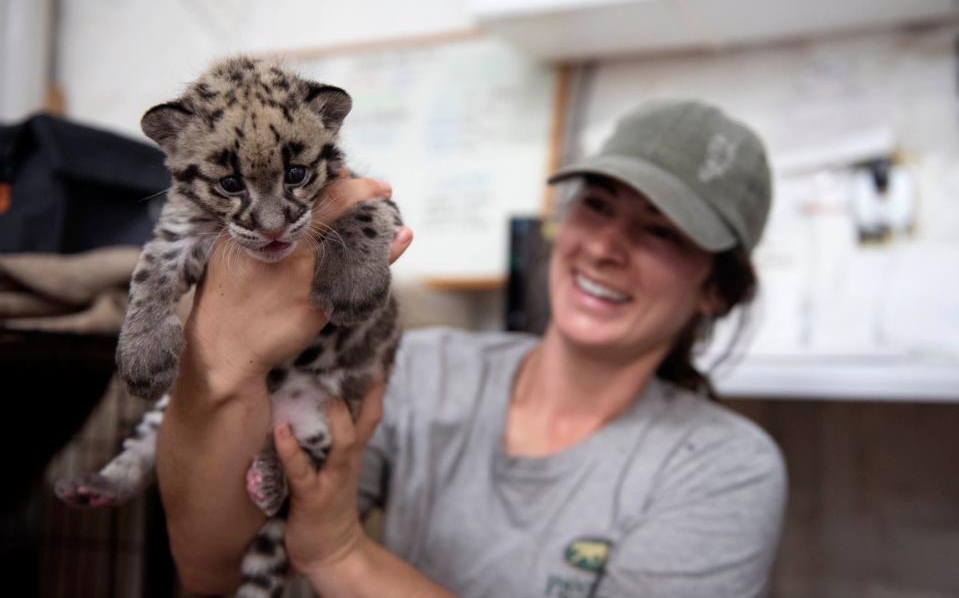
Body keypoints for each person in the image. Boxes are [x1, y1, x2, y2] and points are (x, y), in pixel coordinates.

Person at [157, 100, 787, 598]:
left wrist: (341, 553)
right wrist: (219, 369)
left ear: (716, 291)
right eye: (596, 205)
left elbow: (320, 546)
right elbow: (213, 569)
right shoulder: (425, 371)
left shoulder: (724, 469)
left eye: (660, 231)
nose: (606, 247)